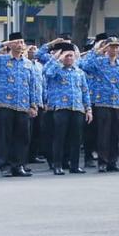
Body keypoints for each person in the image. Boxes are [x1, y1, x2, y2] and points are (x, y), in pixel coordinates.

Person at [0, 33, 40, 177]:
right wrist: (2, 44)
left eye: (22, 41)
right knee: (4, 137)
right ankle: (5, 166)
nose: (20, 44)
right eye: (17, 42)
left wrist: (33, 105)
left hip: (23, 105)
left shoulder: (28, 63)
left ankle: (19, 165)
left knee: (22, 138)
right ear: (11, 44)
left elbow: (32, 85)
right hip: (4, 104)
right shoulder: (2, 60)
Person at [79, 36, 119, 172]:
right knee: (103, 134)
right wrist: (97, 50)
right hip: (102, 102)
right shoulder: (99, 62)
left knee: (115, 134)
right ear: (106, 48)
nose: (114, 49)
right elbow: (84, 65)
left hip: (117, 103)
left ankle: (113, 161)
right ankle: (103, 161)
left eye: (116, 46)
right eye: (111, 46)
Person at [42, 42, 92, 174]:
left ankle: (74, 165)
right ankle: (57, 165)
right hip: (61, 108)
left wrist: (88, 109)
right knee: (59, 138)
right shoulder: (56, 69)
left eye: (71, 56)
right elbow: (47, 73)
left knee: (76, 138)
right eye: (67, 56)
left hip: (77, 108)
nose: (69, 58)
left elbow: (85, 91)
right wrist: (58, 58)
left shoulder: (79, 72)